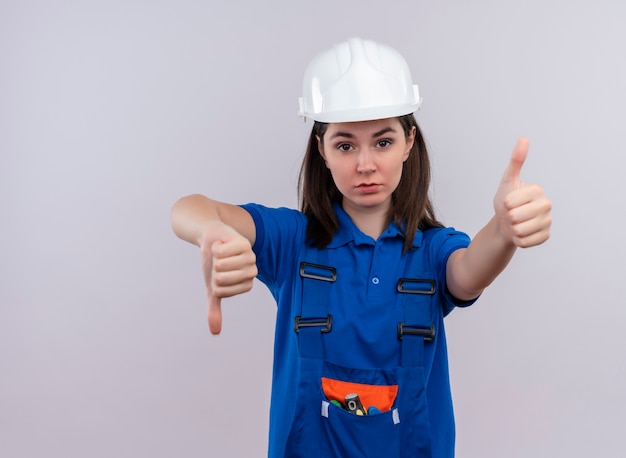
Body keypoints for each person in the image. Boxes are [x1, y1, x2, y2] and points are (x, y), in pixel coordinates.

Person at [171, 37, 552, 458]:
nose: (365, 164)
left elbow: (468, 273)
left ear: (409, 142)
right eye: (346, 144)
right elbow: (190, 208)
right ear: (322, 150)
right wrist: (211, 231)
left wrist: (503, 229)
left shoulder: (432, 250)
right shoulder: (290, 242)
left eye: (383, 142)